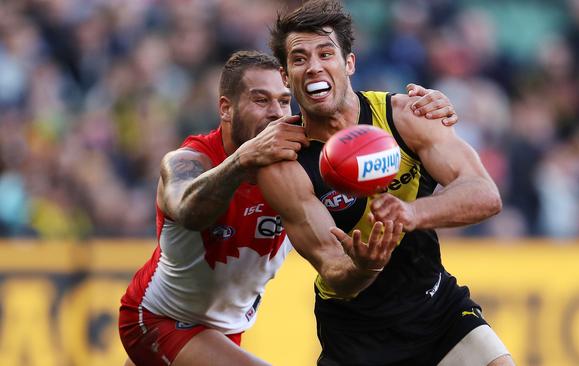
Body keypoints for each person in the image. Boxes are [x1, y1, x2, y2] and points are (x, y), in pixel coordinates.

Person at [118, 50, 458, 366]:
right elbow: (188, 210)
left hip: (226, 329)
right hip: (159, 318)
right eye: (260, 100)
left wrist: (426, 109)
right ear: (225, 108)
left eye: (284, 101)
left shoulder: (302, 157)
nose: (276, 113)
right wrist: (242, 160)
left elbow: (364, 120)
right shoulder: (190, 160)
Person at [258, 1, 514, 365]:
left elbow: (485, 193)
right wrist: (365, 266)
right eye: (299, 59)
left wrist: (411, 212)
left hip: (437, 310)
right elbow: (332, 268)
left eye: (325, 53)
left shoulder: (406, 116)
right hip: (358, 340)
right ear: (285, 76)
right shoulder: (285, 163)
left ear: (349, 63)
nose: (313, 66)